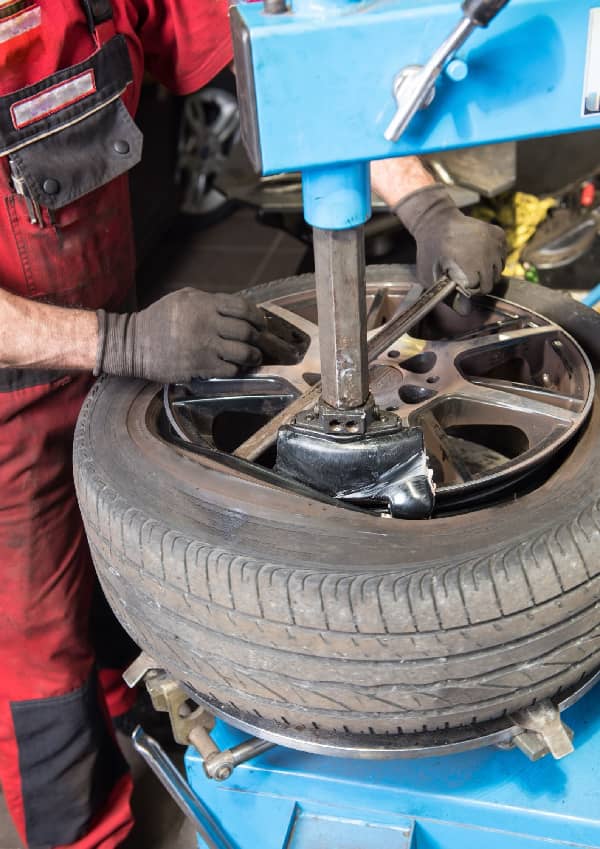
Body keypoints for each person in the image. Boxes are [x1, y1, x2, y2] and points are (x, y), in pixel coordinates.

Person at [0, 2, 506, 847]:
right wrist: (118, 338)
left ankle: (149, 744)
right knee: (40, 661)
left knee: (119, 592)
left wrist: (426, 207)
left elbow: (292, 73)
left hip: (113, 365)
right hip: (13, 405)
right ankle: (87, 834)